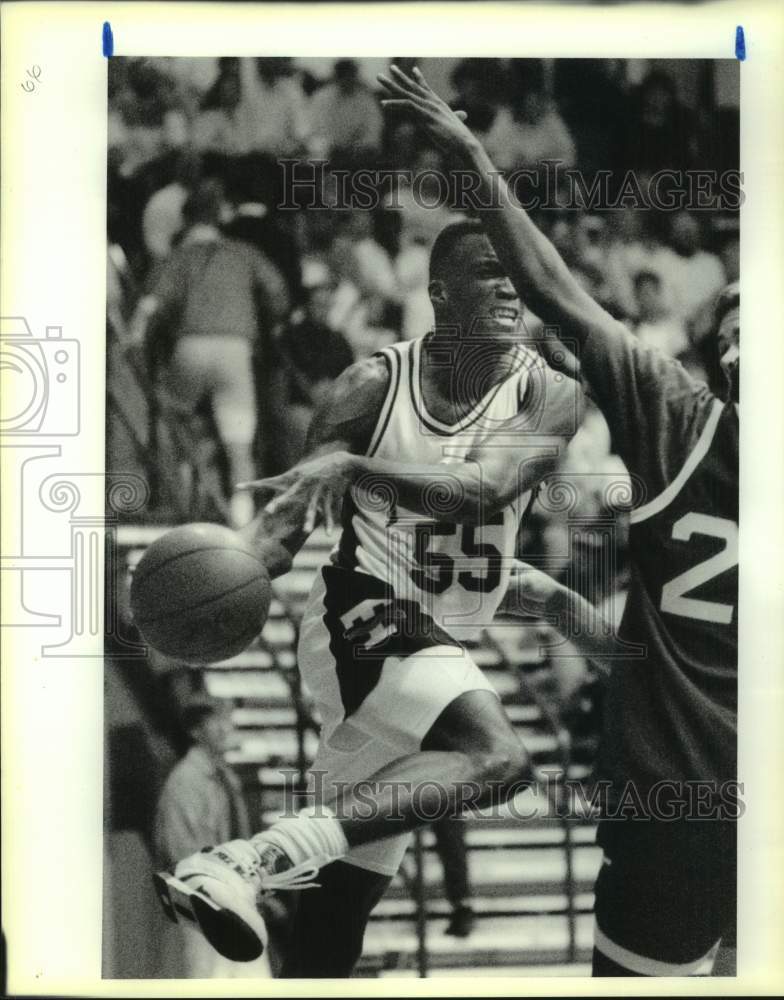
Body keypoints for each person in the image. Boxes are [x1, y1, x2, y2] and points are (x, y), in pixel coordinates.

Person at [154, 96, 583, 976]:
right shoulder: (366, 386)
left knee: (337, 915)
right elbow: (286, 528)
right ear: (438, 294)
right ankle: (248, 857)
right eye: (487, 273)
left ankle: (254, 885)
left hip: (437, 648)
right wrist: (222, 583)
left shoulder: (552, 393)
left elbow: (488, 491)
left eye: (518, 275)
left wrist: (358, 475)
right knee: (499, 758)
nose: (510, 287)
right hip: (361, 618)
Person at [363, 67, 737, 977]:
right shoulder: (681, 414)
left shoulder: (685, 418)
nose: (736, 333)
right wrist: (559, 604)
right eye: (732, 318)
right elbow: (679, 667)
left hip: (677, 818)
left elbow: (557, 291)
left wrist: (474, 164)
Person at [129, 180, 290, 527]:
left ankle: (188, 489)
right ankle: (242, 514)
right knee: (240, 441)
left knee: (174, 421)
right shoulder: (242, 253)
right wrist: (269, 324)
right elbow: (278, 295)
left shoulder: (179, 257)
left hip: (191, 347)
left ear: (186, 221)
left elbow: (150, 305)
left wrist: (137, 339)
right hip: (236, 348)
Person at [153, 700, 274, 978]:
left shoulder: (225, 779)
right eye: (215, 721)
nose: (225, 728)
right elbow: (182, 855)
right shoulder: (185, 782)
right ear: (196, 731)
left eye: (227, 720)